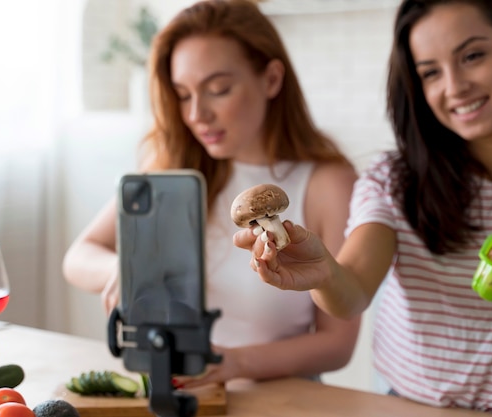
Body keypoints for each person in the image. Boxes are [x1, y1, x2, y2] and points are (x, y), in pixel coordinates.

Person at [234, 0, 492, 415]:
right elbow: (352, 291)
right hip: (414, 408)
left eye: (472, 56)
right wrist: (323, 271)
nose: (454, 86)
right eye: (430, 72)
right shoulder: (394, 179)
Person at [62, 0, 360, 389]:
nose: (196, 114)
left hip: (281, 403)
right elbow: (78, 257)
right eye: (183, 94)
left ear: (271, 79)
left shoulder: (328, 184)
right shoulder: (173, 168)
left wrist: (234, 363)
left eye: (218, 89)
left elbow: (337, 344)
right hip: (187, 396)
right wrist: (126, 271)